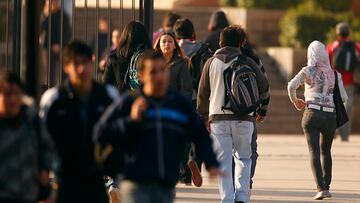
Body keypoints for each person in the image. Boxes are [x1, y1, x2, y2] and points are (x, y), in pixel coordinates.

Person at [93, 50, 223, 203]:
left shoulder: (178, 104)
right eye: (153, 72)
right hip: (135, 183)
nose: (159, 76)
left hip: (165, 185)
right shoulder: (129, 102)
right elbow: (101, 132)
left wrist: (211, 162)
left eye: (162, 70)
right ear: (141, 76)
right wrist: (131, 121)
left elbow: (199, 134)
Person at [39, 41, 120, 203]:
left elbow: (119, 135)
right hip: (65, 179)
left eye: (86, 63)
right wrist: (43, 173)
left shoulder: (108, 96)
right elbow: (42, 140)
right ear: (66, 67)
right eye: (76, 64)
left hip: (97, 179)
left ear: (92, 62)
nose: (82, 69)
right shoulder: (54, 98)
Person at [197, 25, 270, 203]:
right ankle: (242, 198)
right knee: (244, 158)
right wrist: (261, 110)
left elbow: (202, 95)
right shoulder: (247, 61)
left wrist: (203, 118)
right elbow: (264, 87)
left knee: (223, 161)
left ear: (221, 41)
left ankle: (227, 199)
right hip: (245, 118)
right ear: (241, 42)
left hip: (218, 120)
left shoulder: (210, 63)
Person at [288, 41, 348, 200]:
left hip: (312, 113)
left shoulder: (307, 71)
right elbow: (344, 98)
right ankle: (327, 187)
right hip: (330, 116)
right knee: (326, 151)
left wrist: (295, 100)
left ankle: (320, 188)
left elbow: (291, 86)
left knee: (314, 151)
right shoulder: (335, 74)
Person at [0, 70, 53, 203]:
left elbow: (46, 147)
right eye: (7, 94)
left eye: (17, 94)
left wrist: (44, 170)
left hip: (27, 194)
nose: (12, 99)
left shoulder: (31, 119)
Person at [174, 18, 213, 185]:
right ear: (193, 33)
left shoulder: (173, 51)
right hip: (199, 98)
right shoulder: (204, 50)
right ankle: (195, 162)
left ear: (176, 35)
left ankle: (183, 174)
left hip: (178, 98)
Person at [326, 22, 360, 142]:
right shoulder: (355, 47)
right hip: (350, 82)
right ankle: (344, 135)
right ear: (348, 33)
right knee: (347, 109)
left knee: (333, 107)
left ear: (337, 33)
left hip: (334, 81)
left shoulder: (332, 46)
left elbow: (326, 63)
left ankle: (333, 130)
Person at [103, 21, 152, 92]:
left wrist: (124, 86)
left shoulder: (115, 58)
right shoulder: (150, 57)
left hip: (121, 99)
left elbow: (106, 85)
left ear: (124, 37)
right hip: (145, 98)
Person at [154, 31, 193, 100]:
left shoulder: (181, 64)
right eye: (164, 41)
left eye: (170, 41)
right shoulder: (154, 64)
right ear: (159, 45)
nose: (167, 44)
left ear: (175, 45)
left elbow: (186, 90)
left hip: (174, 105)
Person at [41, 0, 71, 87]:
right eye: (48, 3)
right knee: (49, 71)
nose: (50, 5)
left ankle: (64, 87)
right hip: (48, 47)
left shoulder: (63, 16)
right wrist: (46, 15)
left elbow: (67, 33)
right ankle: (49, 87)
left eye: (52, 3)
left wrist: (60, 45)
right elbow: (42, 29)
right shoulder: (45, 15)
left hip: (61, 47)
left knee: (63, 70)